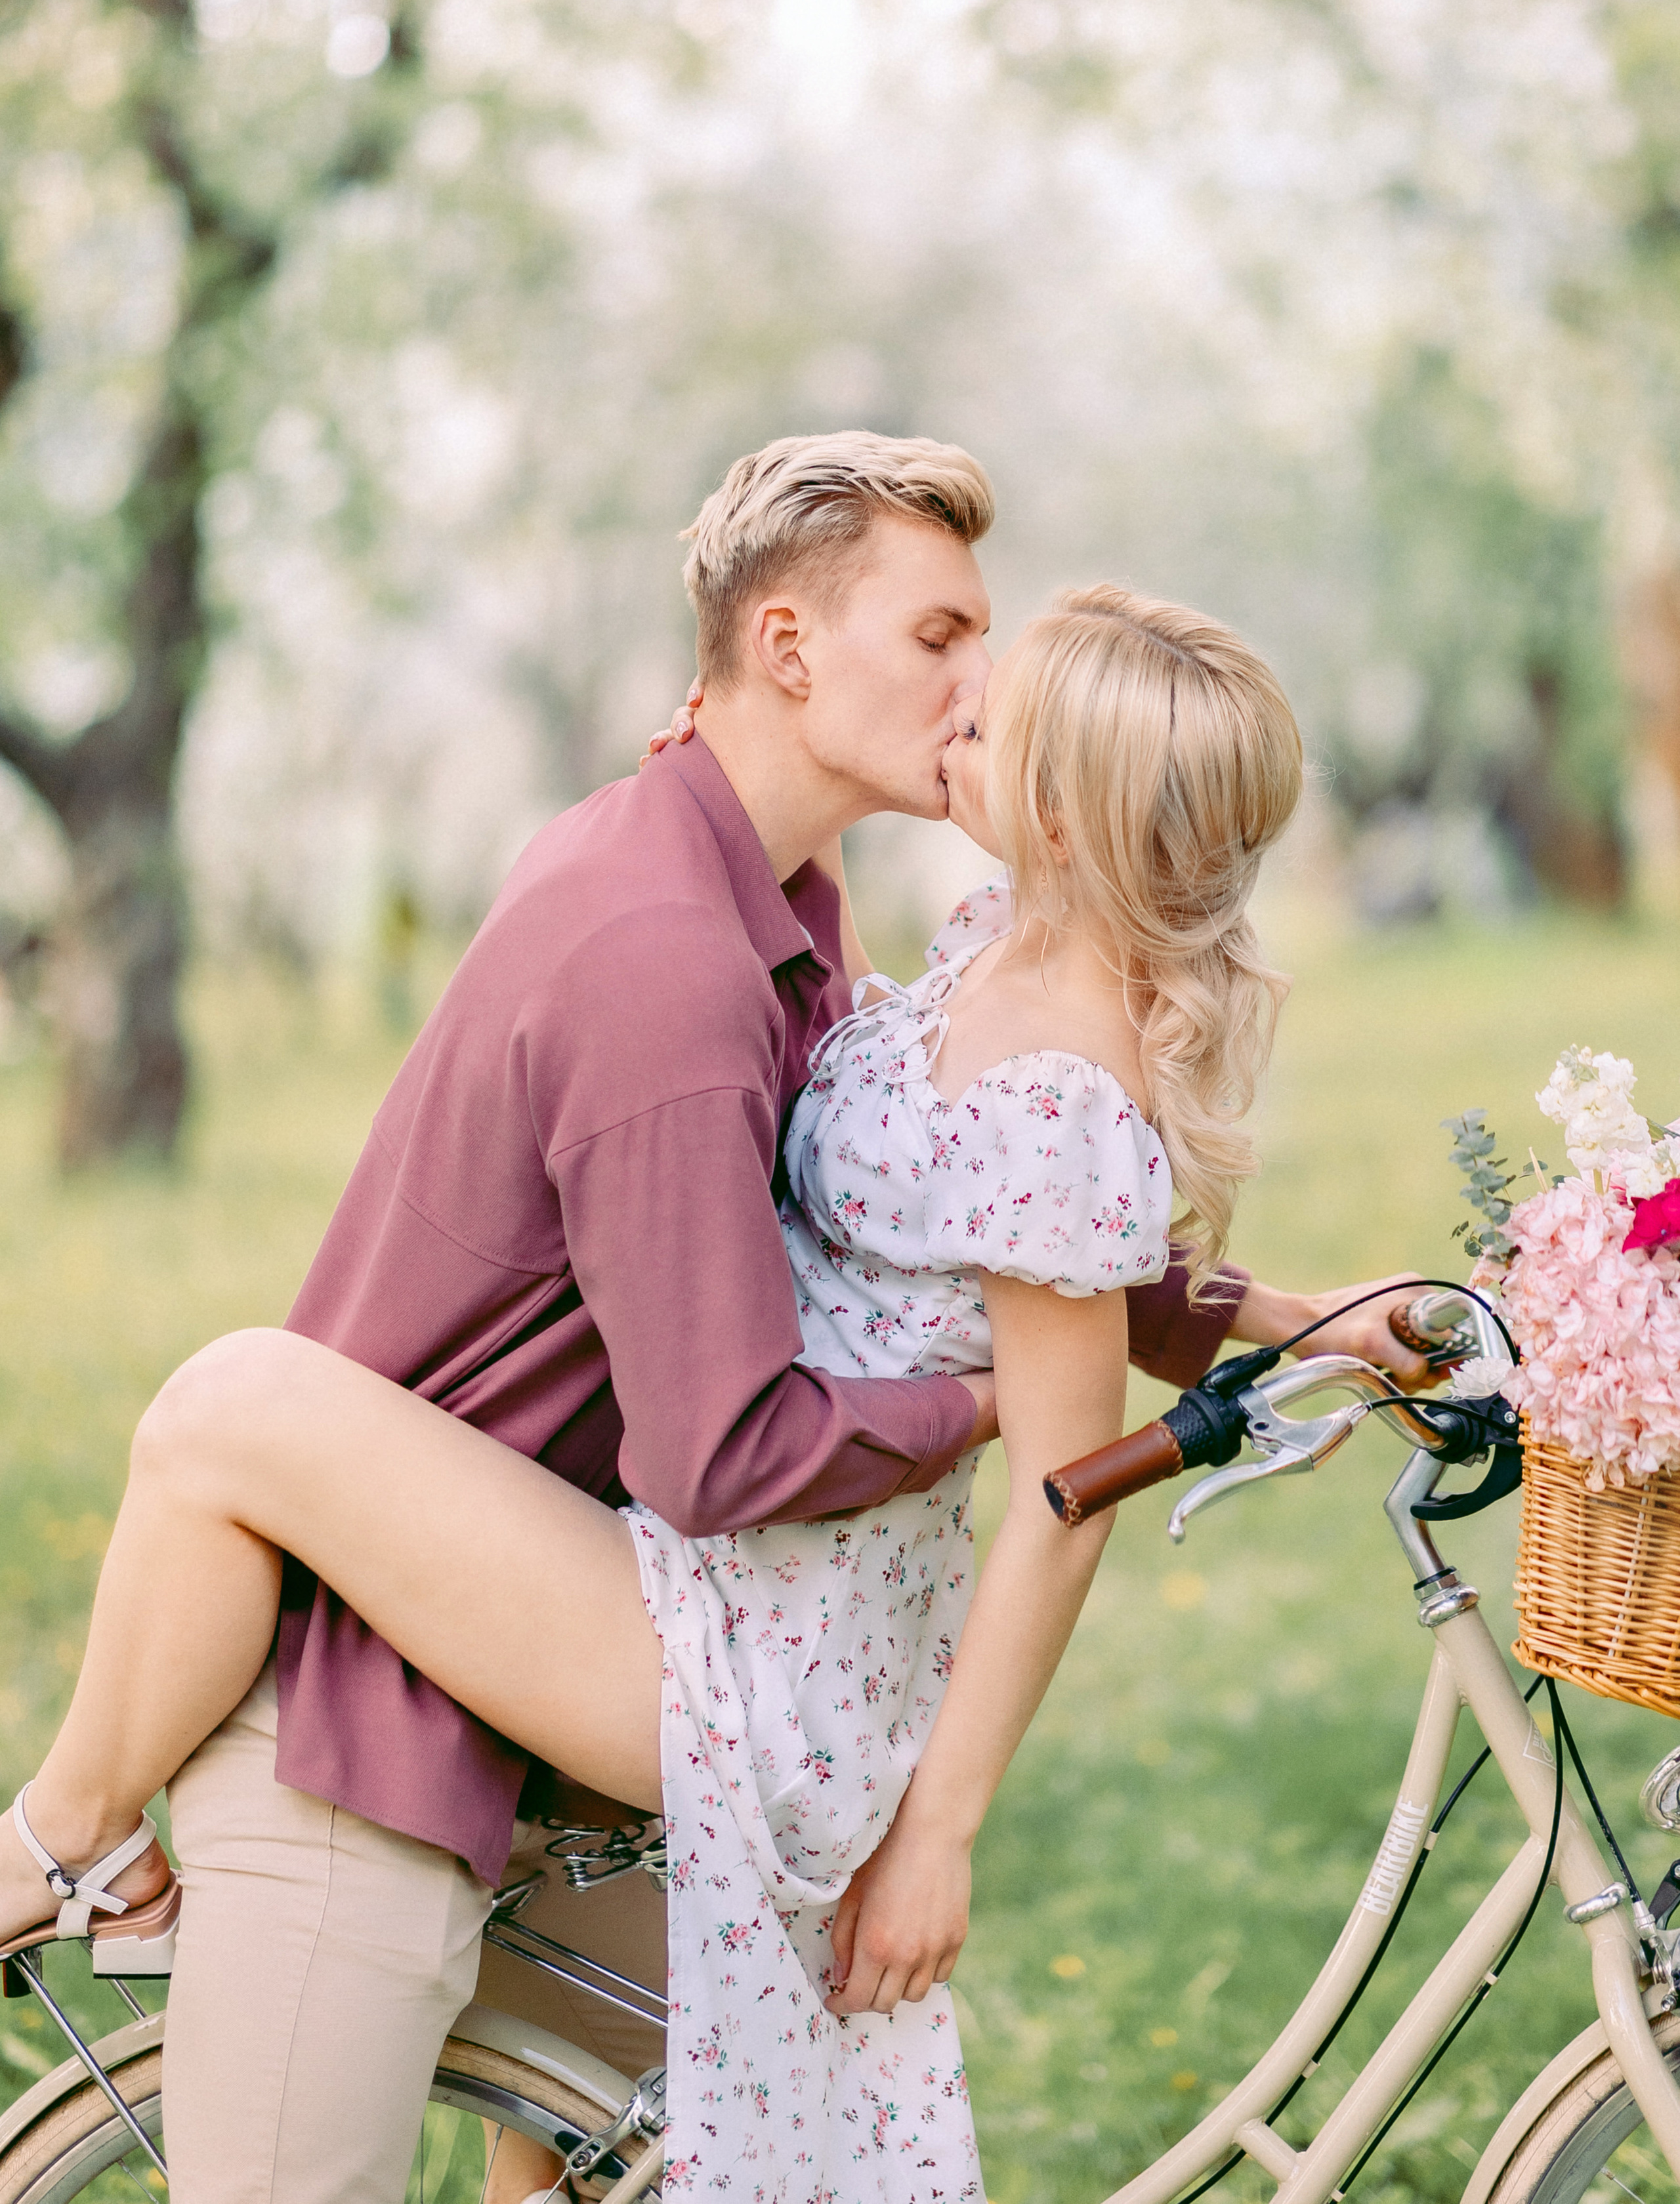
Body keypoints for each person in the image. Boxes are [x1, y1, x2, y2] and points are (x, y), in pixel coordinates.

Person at [0, 445, 1422, 2204]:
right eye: (941, 634)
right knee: (234, 1407)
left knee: (233, 1400)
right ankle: (59, 1833)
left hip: (711, 1638)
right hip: (545, 1638)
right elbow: (937, 1312)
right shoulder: (762, 942)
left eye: (998, 658)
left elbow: (1002, 1299)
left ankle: (50, 1835)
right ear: (790, 647)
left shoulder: (812, 927)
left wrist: (1268, 1330)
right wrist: (1042, 1389)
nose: (975, 686)